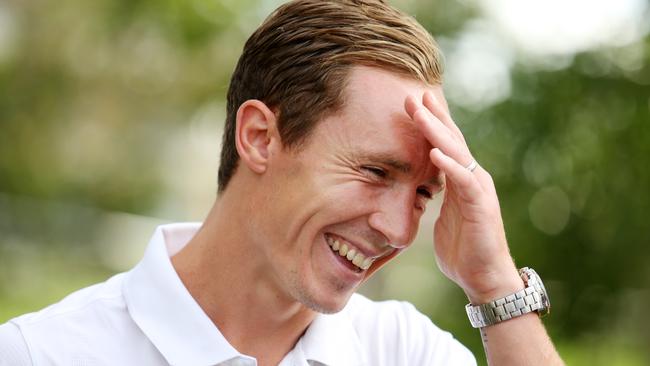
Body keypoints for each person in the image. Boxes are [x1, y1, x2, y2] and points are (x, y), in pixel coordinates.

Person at [0, 0, 565, 365]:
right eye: (374, 171)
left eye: (422, 193)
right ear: (260, 137)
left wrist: (494, 285)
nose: (397, 229)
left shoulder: (404, 352)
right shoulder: (41, 354)